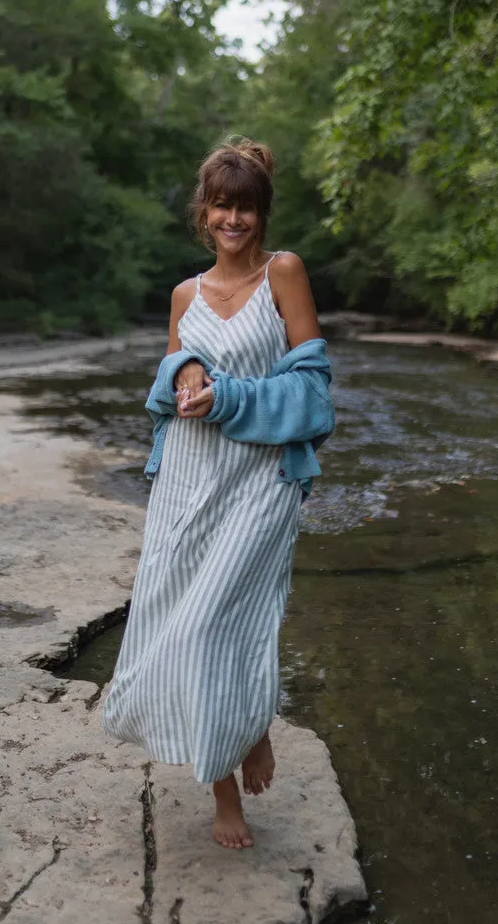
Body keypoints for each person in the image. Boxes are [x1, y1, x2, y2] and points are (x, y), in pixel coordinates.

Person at [102, 137, 335, 849]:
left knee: (213, 624)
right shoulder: (184, 294)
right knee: (181, 625)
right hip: (188, 481)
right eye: (220, 205)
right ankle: (225, 787)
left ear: (262, 214)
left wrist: (226, 393)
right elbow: (172, 381)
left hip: (260, 480)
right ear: (202, 212)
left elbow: (313, 393)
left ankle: (251, 726)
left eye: (246, 207)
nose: (232, 218)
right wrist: (184, 383)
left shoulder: (283, 275)